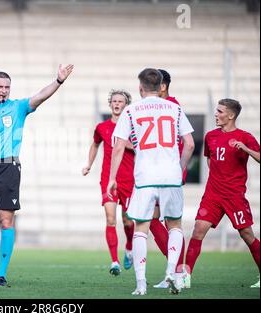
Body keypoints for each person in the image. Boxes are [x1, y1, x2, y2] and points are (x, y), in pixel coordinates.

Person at [0, 64, 74, 287]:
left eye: (6, 87)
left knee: (6, 221)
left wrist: (59, 81)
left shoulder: (18, 107)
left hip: (8, 168)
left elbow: (40, 96)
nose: (3, 90)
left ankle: (1, 274)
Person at [107, 68, 195, 295]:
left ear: (140, 87)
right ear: (160, 86)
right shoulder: (175, 108)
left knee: (140, 230)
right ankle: (171, 273)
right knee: (175, 225)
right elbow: (190, 144)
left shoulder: (131, 110)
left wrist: (112, 179)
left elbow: (118, 146)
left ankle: (141, 284)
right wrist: (180, 167)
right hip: (171, 176)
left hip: (145, 177)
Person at [184, 98, 260, 289]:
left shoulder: (245, 137)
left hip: (234, 196)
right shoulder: (211, 136)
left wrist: (246, 149)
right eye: (216, 111)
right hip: (213, 194)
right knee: (198, 229)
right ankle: (185, 276)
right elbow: (210, 161)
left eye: (219, 111)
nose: (216, 115)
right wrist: (217, 179)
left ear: (231, 115)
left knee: (247, 234)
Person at [82, 89, 135, 276]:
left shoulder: (134, 127)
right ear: (110, 104)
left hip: (129, 179)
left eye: (121, 101)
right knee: (110, 218)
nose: (117, 104)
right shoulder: (102, 127)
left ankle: (129, 247)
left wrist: (130, 145)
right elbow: (95, 144)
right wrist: (88, 164)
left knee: (128, 221)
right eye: (114, 101)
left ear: (126, 104)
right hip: (108, 178)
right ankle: (114, 261)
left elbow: (144, 149)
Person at [151, 69, 187, 289]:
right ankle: (174, 270)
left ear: (162, 86)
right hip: (161, 171)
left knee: (170, 223)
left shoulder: (171, 106)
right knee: (154, 219)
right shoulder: (168, 105)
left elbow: (186, 142)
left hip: (167, 172)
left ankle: (176, 272)